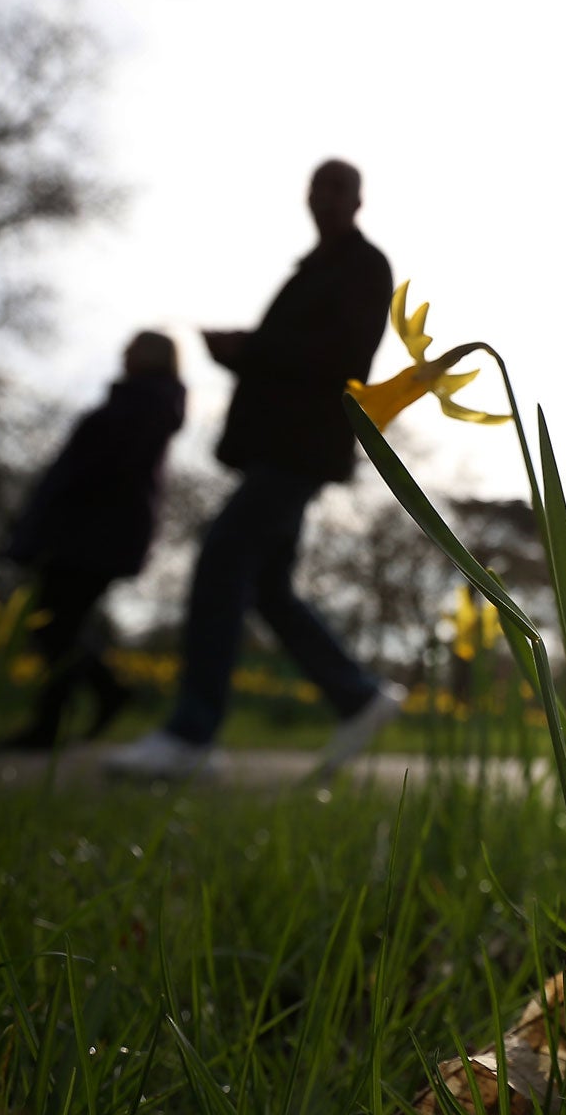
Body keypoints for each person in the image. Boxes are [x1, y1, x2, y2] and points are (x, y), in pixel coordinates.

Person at [104, 160, 405, 779]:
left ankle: (192, 736)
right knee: (268, 587)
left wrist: (250, 347)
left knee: (222, 556)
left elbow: (345, 356)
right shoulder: (311, 270)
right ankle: (356, 694)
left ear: (358, 200)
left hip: (305, 446)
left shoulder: (363, 265)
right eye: (317, 184)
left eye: (337, 186)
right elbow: (296, 356)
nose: (323, 195)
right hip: (280, 445)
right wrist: (243, 354)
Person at [0, 330, 186, 751]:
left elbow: (102, 470)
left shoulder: (144, 403)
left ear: (152, 356)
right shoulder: (142, 401)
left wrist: (52, 517)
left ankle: (53, 724)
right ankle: (99, 696)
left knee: (55, 625)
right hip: (90, 530)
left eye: (133, 347)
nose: (123, 353)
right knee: (60, 624)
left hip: (89, 532)